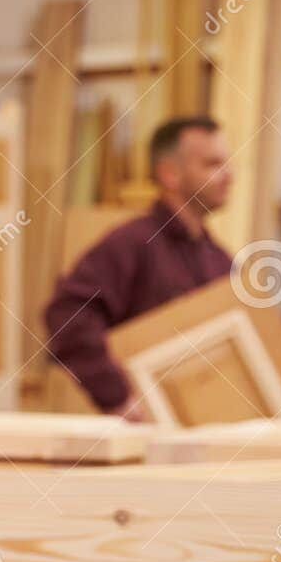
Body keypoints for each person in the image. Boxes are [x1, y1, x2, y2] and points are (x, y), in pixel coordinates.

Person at [43, 116, 234, 418]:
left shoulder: (219, 260)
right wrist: (117, 397)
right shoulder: (132, 244)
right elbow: (68, 314)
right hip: (149, 441)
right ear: (170, 174)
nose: (228, 175)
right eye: (212, 165)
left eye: (227, 163)